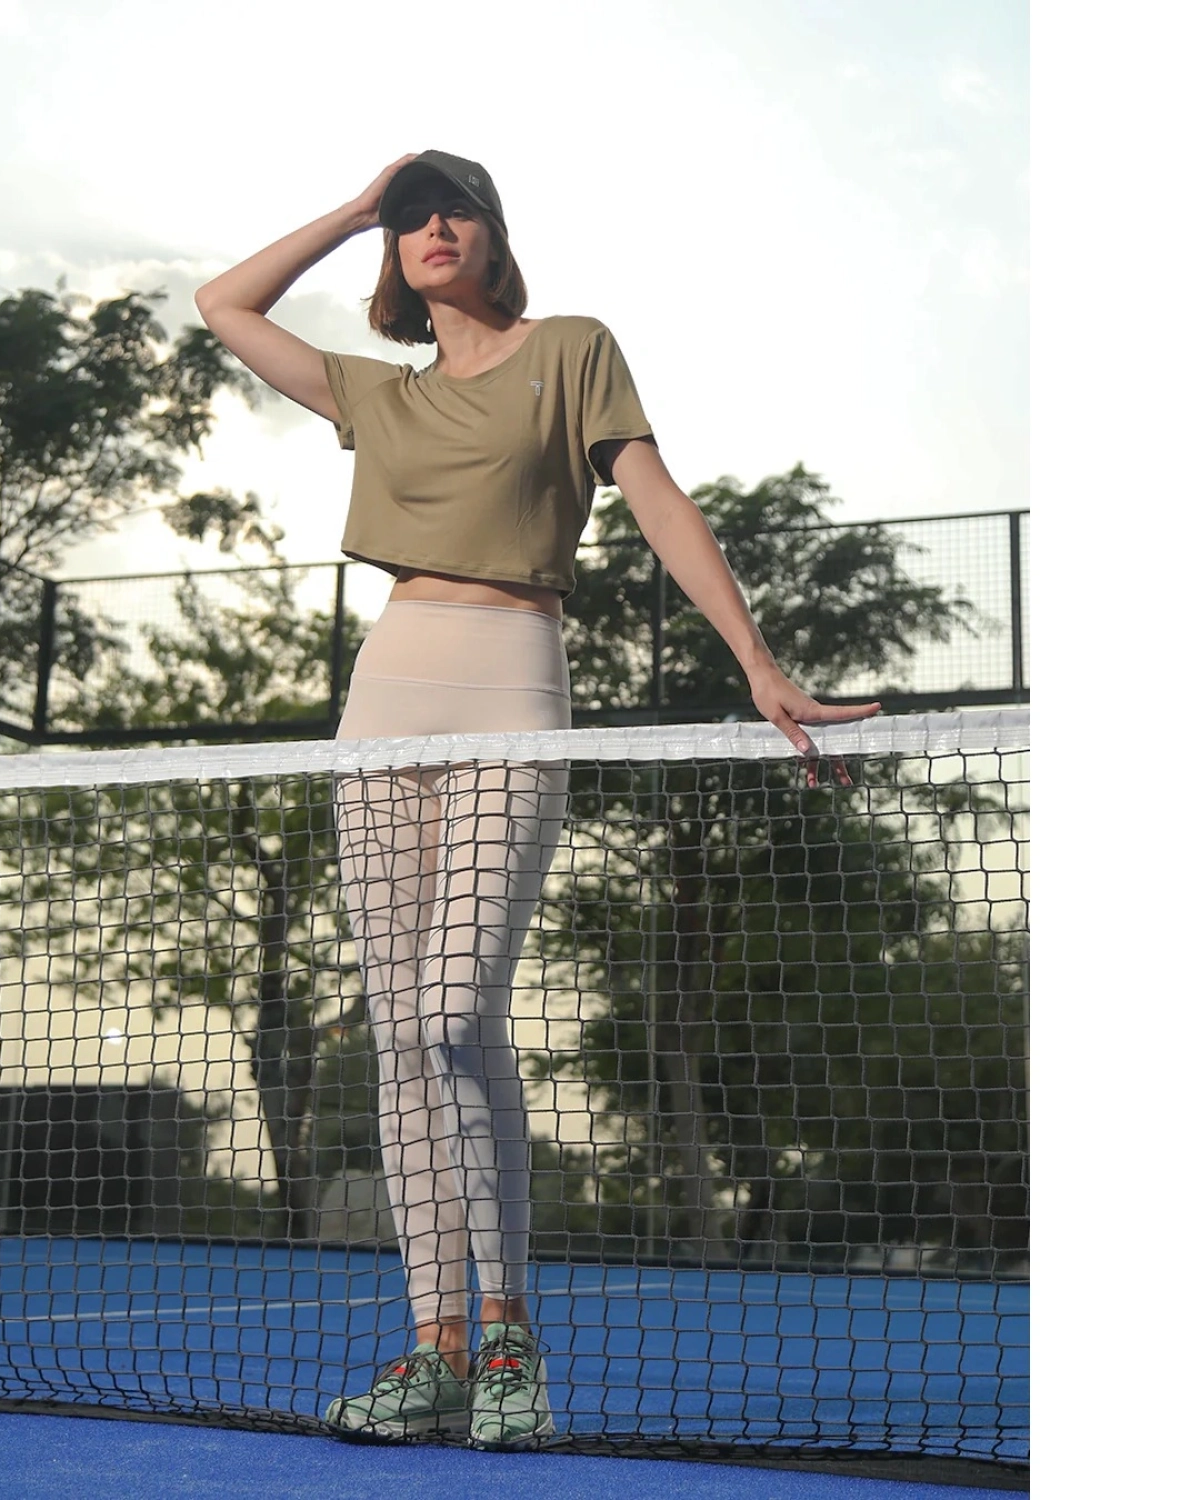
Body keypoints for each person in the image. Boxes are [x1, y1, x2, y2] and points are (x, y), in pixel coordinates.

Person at [194, 150, 881, 1451]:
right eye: (411, 218)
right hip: (384, 699)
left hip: (513, 681)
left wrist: (757, 661)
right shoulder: (375, 393)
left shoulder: (572, 350)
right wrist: (356, 209)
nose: (431, 226)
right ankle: (437, 1347)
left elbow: (657, 498)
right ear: (394, 255)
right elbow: (222, 305)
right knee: (400, 1035)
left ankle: (508, 1335)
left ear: (496, 236)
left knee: (454, 1012)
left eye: (452, 207)